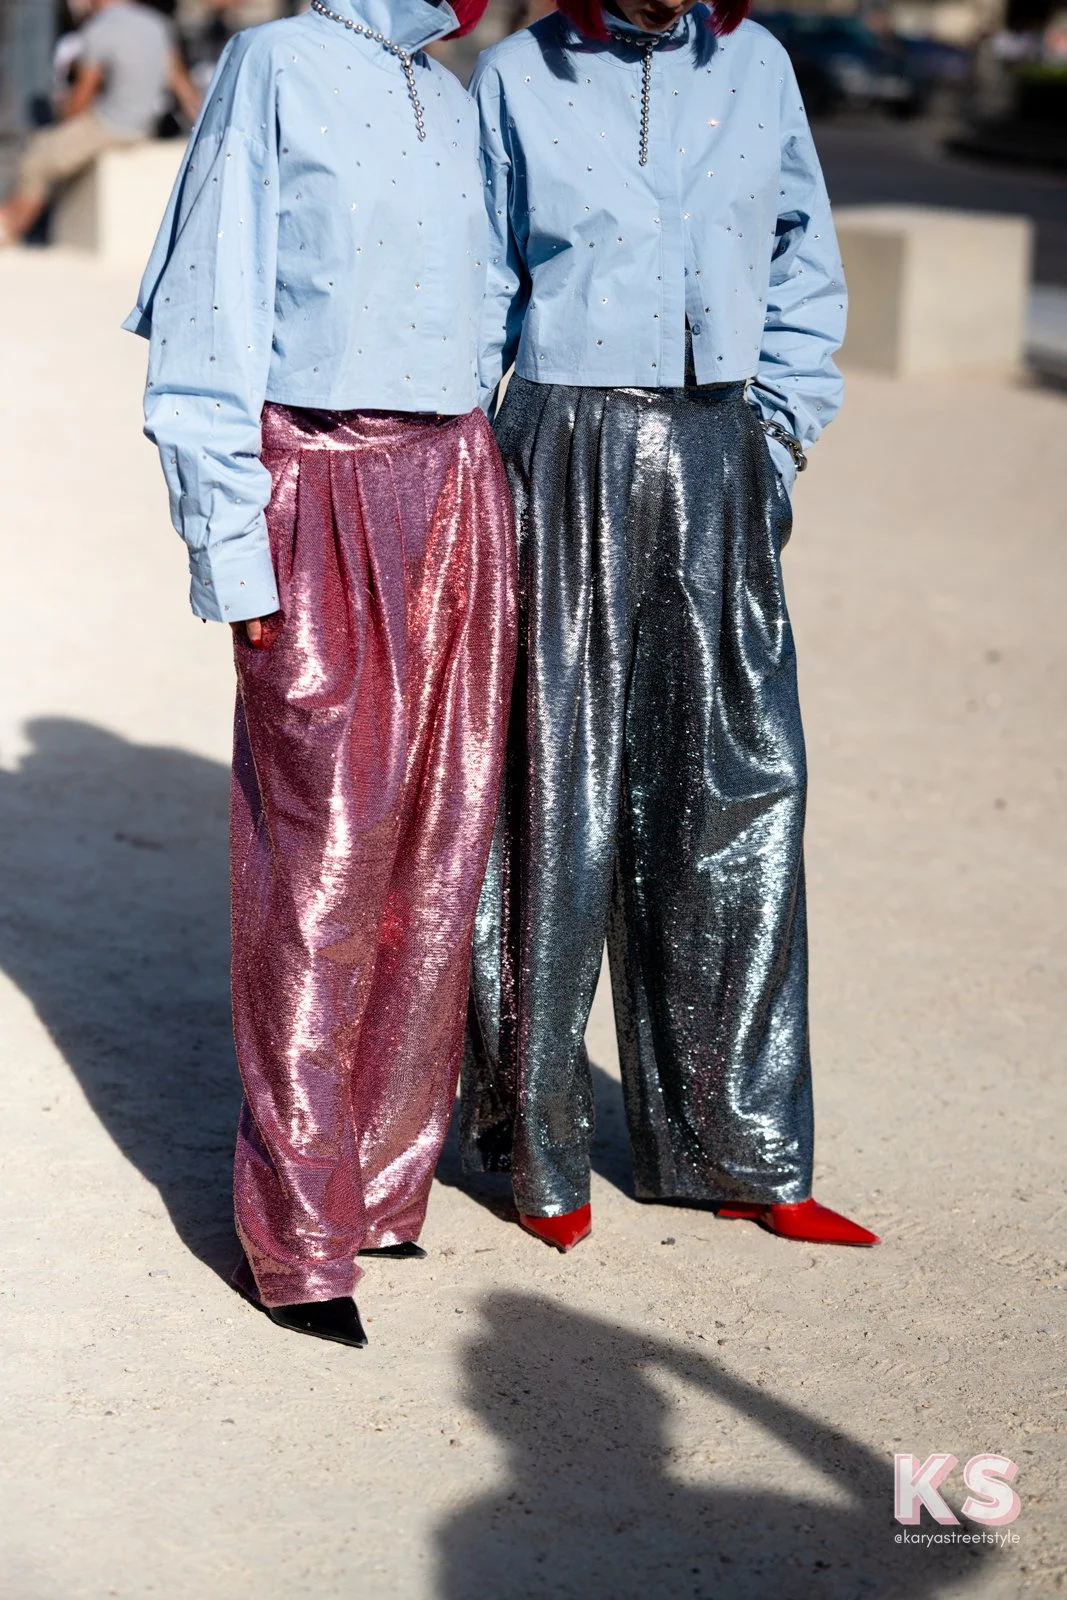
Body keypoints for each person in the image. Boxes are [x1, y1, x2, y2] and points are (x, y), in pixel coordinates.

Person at [124, 0, 516, 1346]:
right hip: (322, 485)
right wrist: (233, 552)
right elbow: (208, 310)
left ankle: (384, 1184)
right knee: (319, 864)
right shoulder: (275, 62)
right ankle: (296, 1239)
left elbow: (488, 295)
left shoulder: (453, 90)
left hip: (458, 488)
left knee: (438, 851)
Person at [461, 0, 879, 1251]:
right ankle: (539, 1151)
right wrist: (468, 481)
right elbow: (478, 284)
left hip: (718, 450)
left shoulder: (757, 65)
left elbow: (802, 255)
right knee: (554, 805)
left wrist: (779, 434)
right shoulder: (514, 75)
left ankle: (740, 1146)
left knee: (741, 792)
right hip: (559, 450)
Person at [0, 0, 201, 248]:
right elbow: (179, 80)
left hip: (111, 125)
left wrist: (60, 124)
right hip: (145, 126)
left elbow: (81, 98)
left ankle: (9, 229)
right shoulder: (157, 24)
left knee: (36, 160)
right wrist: (200, 120)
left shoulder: (99, 29)